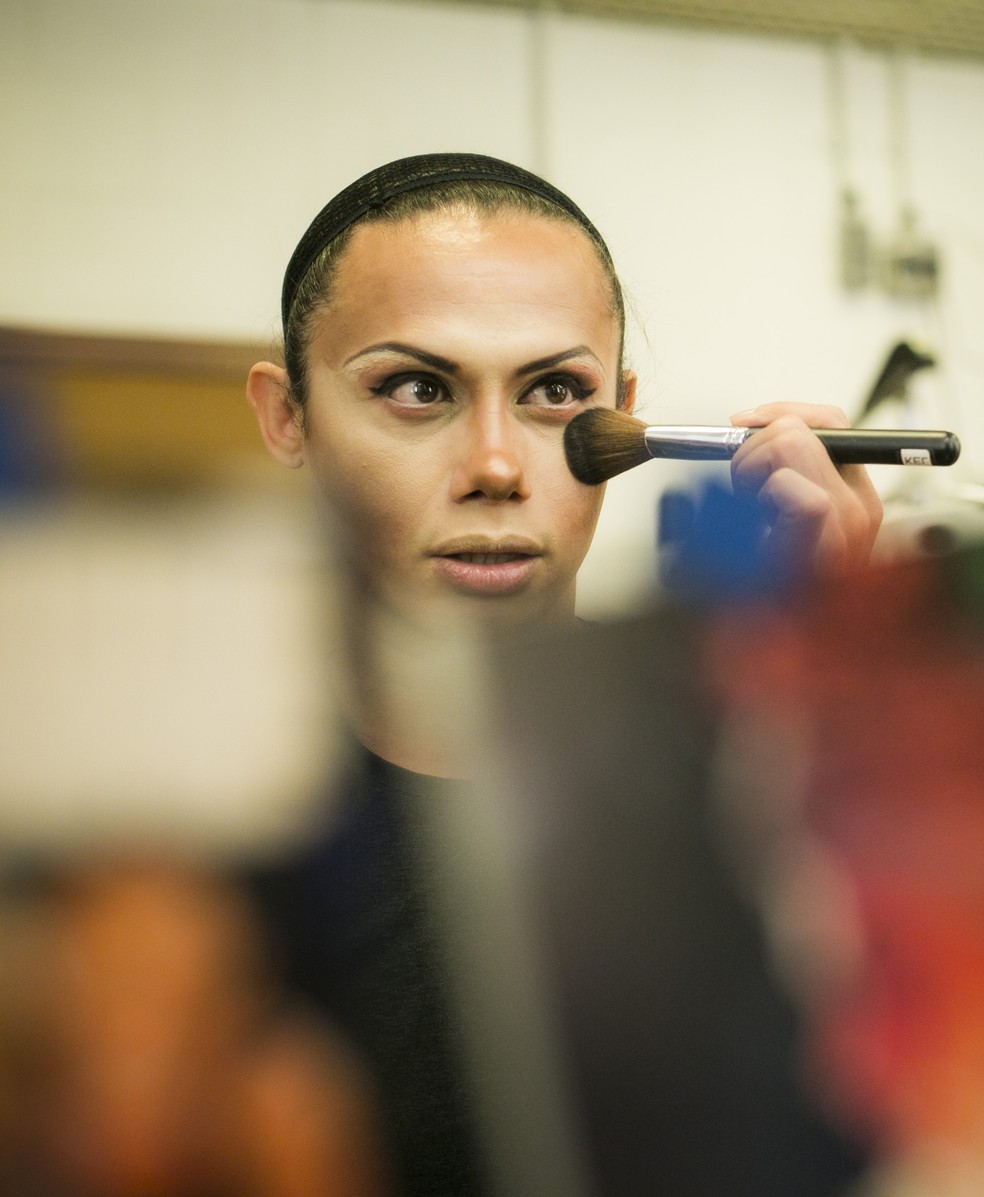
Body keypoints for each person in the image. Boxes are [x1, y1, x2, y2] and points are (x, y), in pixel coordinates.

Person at [243, 153, 883, 1196]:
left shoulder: (749, 789)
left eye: (554, 392)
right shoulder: (227, 842)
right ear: (287, 417)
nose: (496, 465)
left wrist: (840, 732)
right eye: (415, 388)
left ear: (623, 415)